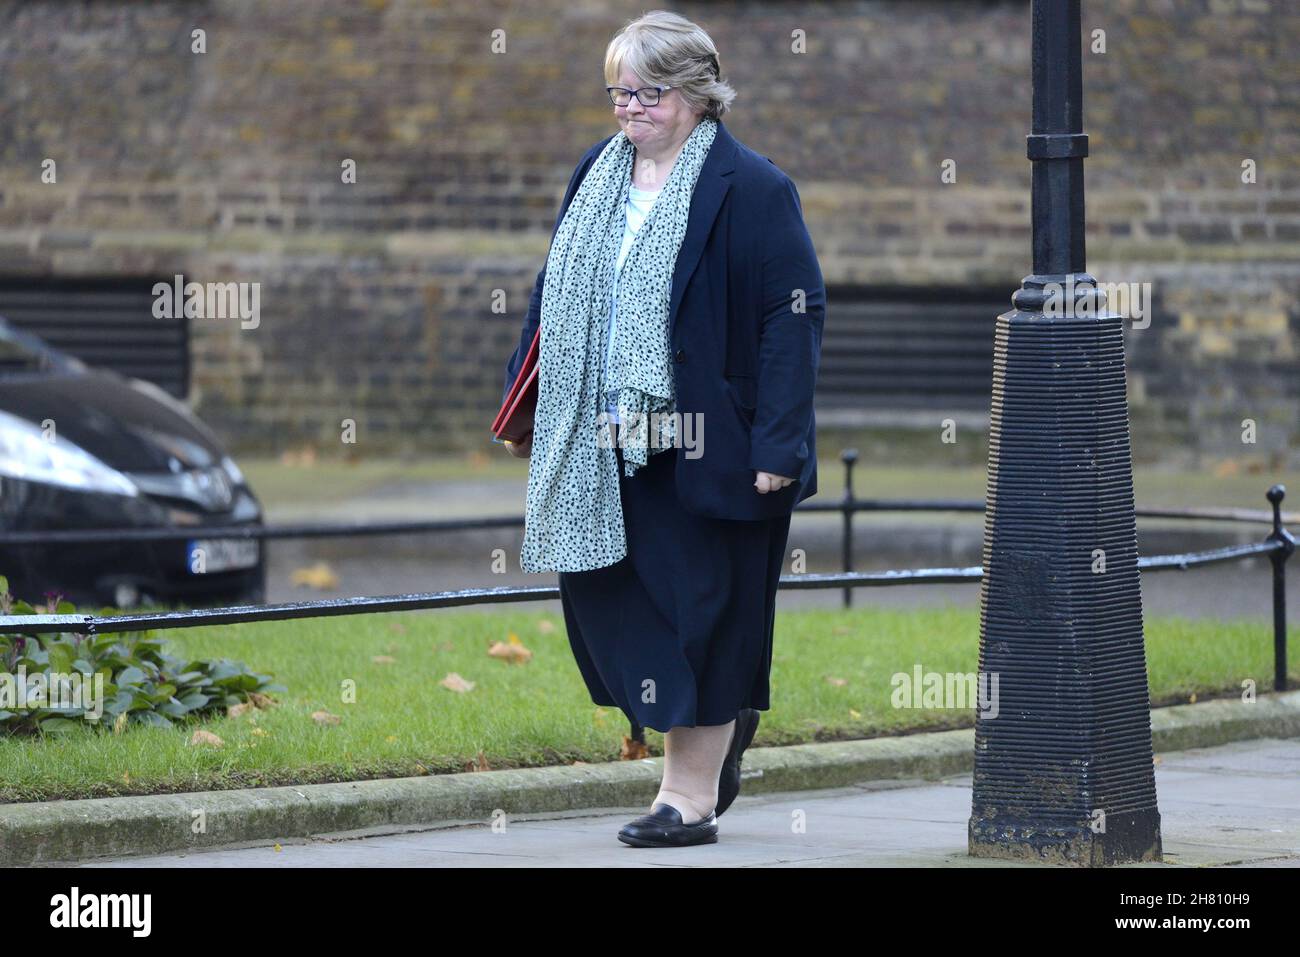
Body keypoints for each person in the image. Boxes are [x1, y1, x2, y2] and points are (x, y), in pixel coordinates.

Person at [499, 10, 824, 847]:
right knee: (609, 597)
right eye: (618, 93)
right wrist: (527, 400)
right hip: (606, 433)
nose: (627, 110)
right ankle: (724, 730)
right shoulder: (595, 175)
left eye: (645, 94)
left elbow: (793, 320)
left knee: (703, 616)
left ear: (696, 94)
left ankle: (687, 797)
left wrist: (778, 446)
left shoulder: (753, 187)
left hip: (714, 441)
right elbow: (555, 296)